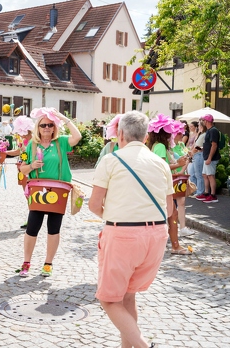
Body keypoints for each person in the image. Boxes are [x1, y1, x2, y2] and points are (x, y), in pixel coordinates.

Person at [88, 111, 173, 348]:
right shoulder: (161, 163)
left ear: (121, 134)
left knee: (108, 300)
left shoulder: (111, 160)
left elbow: (94, 205)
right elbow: (169, 209)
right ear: (146, 137)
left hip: (123, 235)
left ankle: (144, 346)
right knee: (127, 296)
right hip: (156, 236)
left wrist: (116, 214)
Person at [17, 107, 81, 277]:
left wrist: (61, 117)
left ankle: (48, 264)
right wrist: (31, 166)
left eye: (50, 125)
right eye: (43, 125)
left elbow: (77, 137)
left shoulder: (61, 142)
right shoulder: (31, 145)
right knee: (32, 227)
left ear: (54, 128)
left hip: (59, 190)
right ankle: (26, 262)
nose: (46, 128)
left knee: (54, 228)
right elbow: (22, 168)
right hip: (38, 189)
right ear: (38, 127)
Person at [147, 113, 191, 255]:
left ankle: (168, 244)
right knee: (172, 215)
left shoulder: (156, 145)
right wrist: (177, 165)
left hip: (161, 185)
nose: (171, 135)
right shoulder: (159, 146)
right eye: (169, 132)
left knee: (169, 215)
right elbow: (161, 166)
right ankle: (175, 246)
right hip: (163, 185)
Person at [196, 114, 220, 203]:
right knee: (205, 175)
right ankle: (206, 193)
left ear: (206, 121)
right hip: (207, 157)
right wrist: (203, 149)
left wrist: (209, 158)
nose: (202, 122)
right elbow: (209, 145)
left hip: (211, 158)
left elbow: (214, 145)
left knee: (210, 176)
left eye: (203, 120)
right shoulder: (210, 131)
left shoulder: (213, 131)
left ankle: (213, 195)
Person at [190, 120, 207, 197]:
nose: (198, 127)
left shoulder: (204, 135)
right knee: (192, 174)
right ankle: (195, 191)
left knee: (198, 174)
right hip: (196, 155)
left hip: (199, 155)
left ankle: (199, 192)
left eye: (199, 125)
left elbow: (202, 146)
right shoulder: (200, 134)